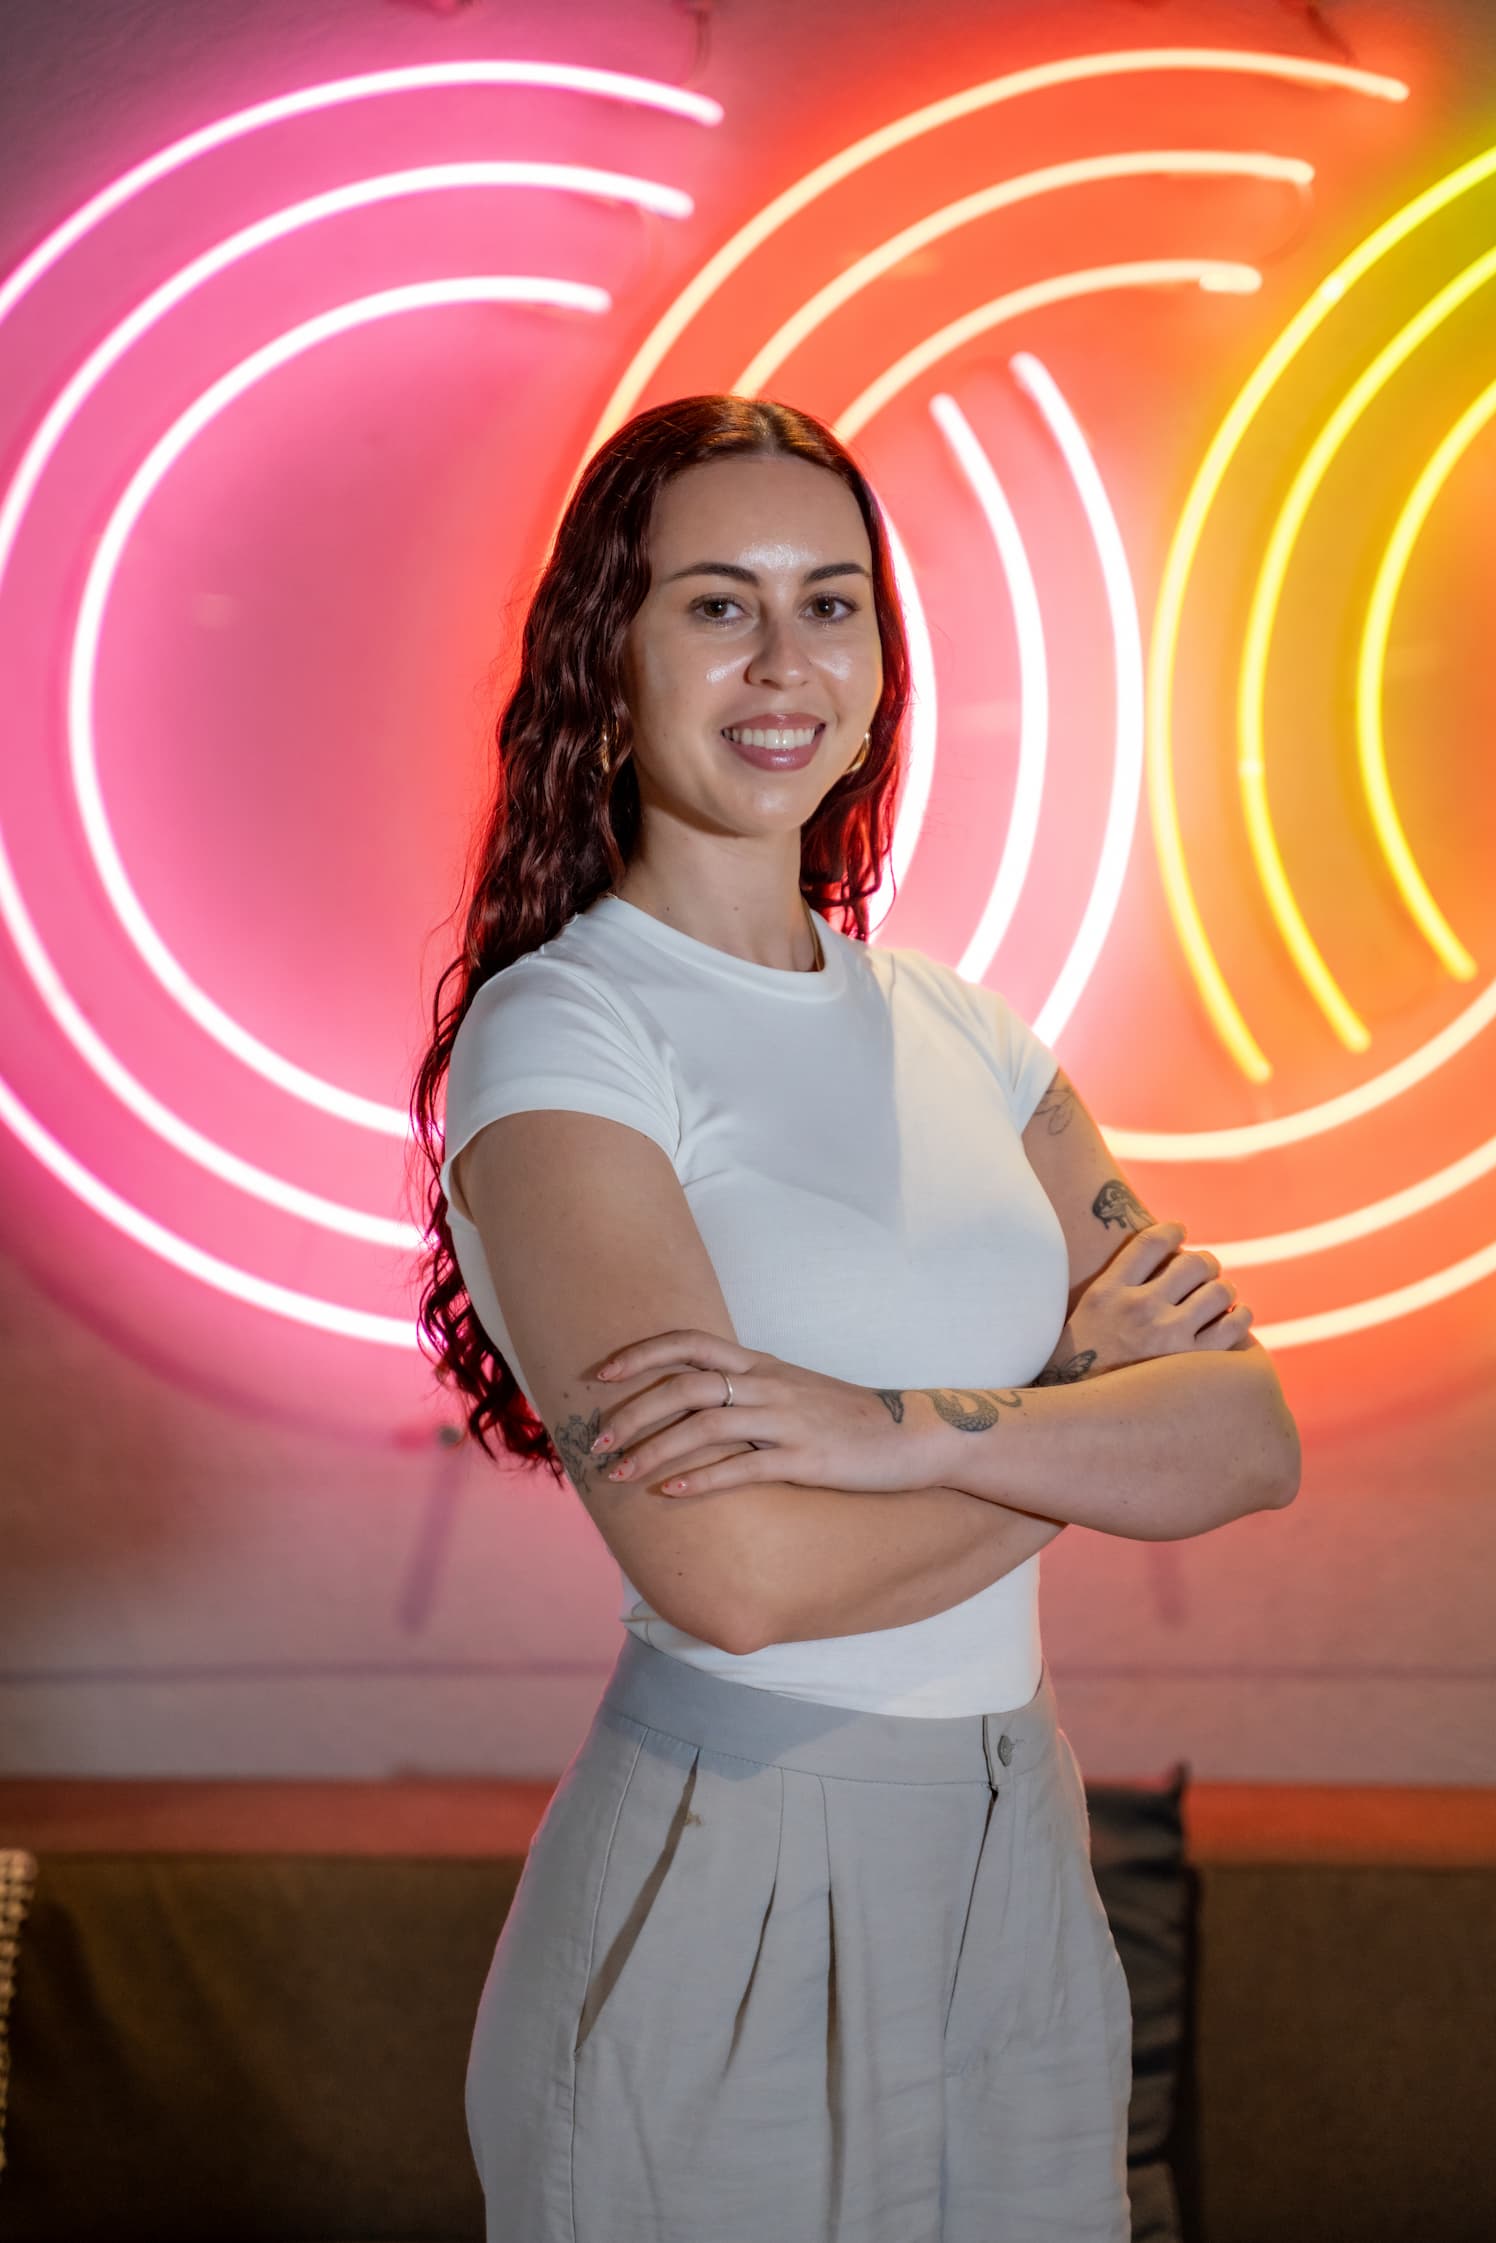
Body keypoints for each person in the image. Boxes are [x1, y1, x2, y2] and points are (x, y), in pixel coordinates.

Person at [408, 394, 1302, 2242]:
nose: (785, 660)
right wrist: (1077, 1407)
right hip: (739, 1855)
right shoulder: (565, 1038)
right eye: (716, 604)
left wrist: (894, 1431)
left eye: (834, 605)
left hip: (1020, 1852)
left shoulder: (965, 1028)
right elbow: (739, 1577)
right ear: (609, 648)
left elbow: (1246, 1437)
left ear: (885, 666)